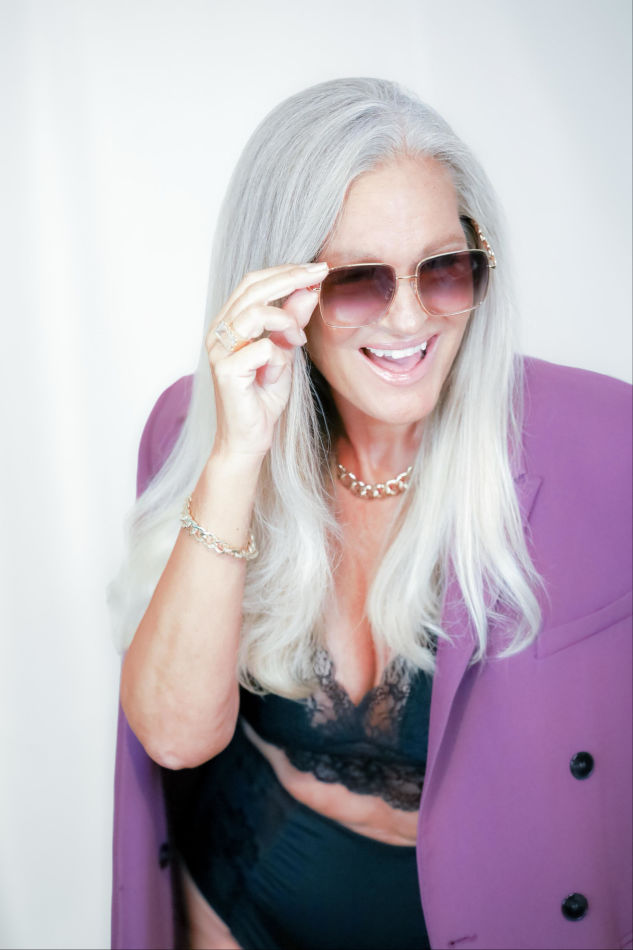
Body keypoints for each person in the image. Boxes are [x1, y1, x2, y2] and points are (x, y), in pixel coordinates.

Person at [109, 78, 632, 950]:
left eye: (444, 268)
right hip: (242, 889)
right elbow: (173, 737)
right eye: (357, 281)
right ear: (279, 292)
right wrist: (236, 459)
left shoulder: (608, 440)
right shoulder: (196, 430)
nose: (408, 317)